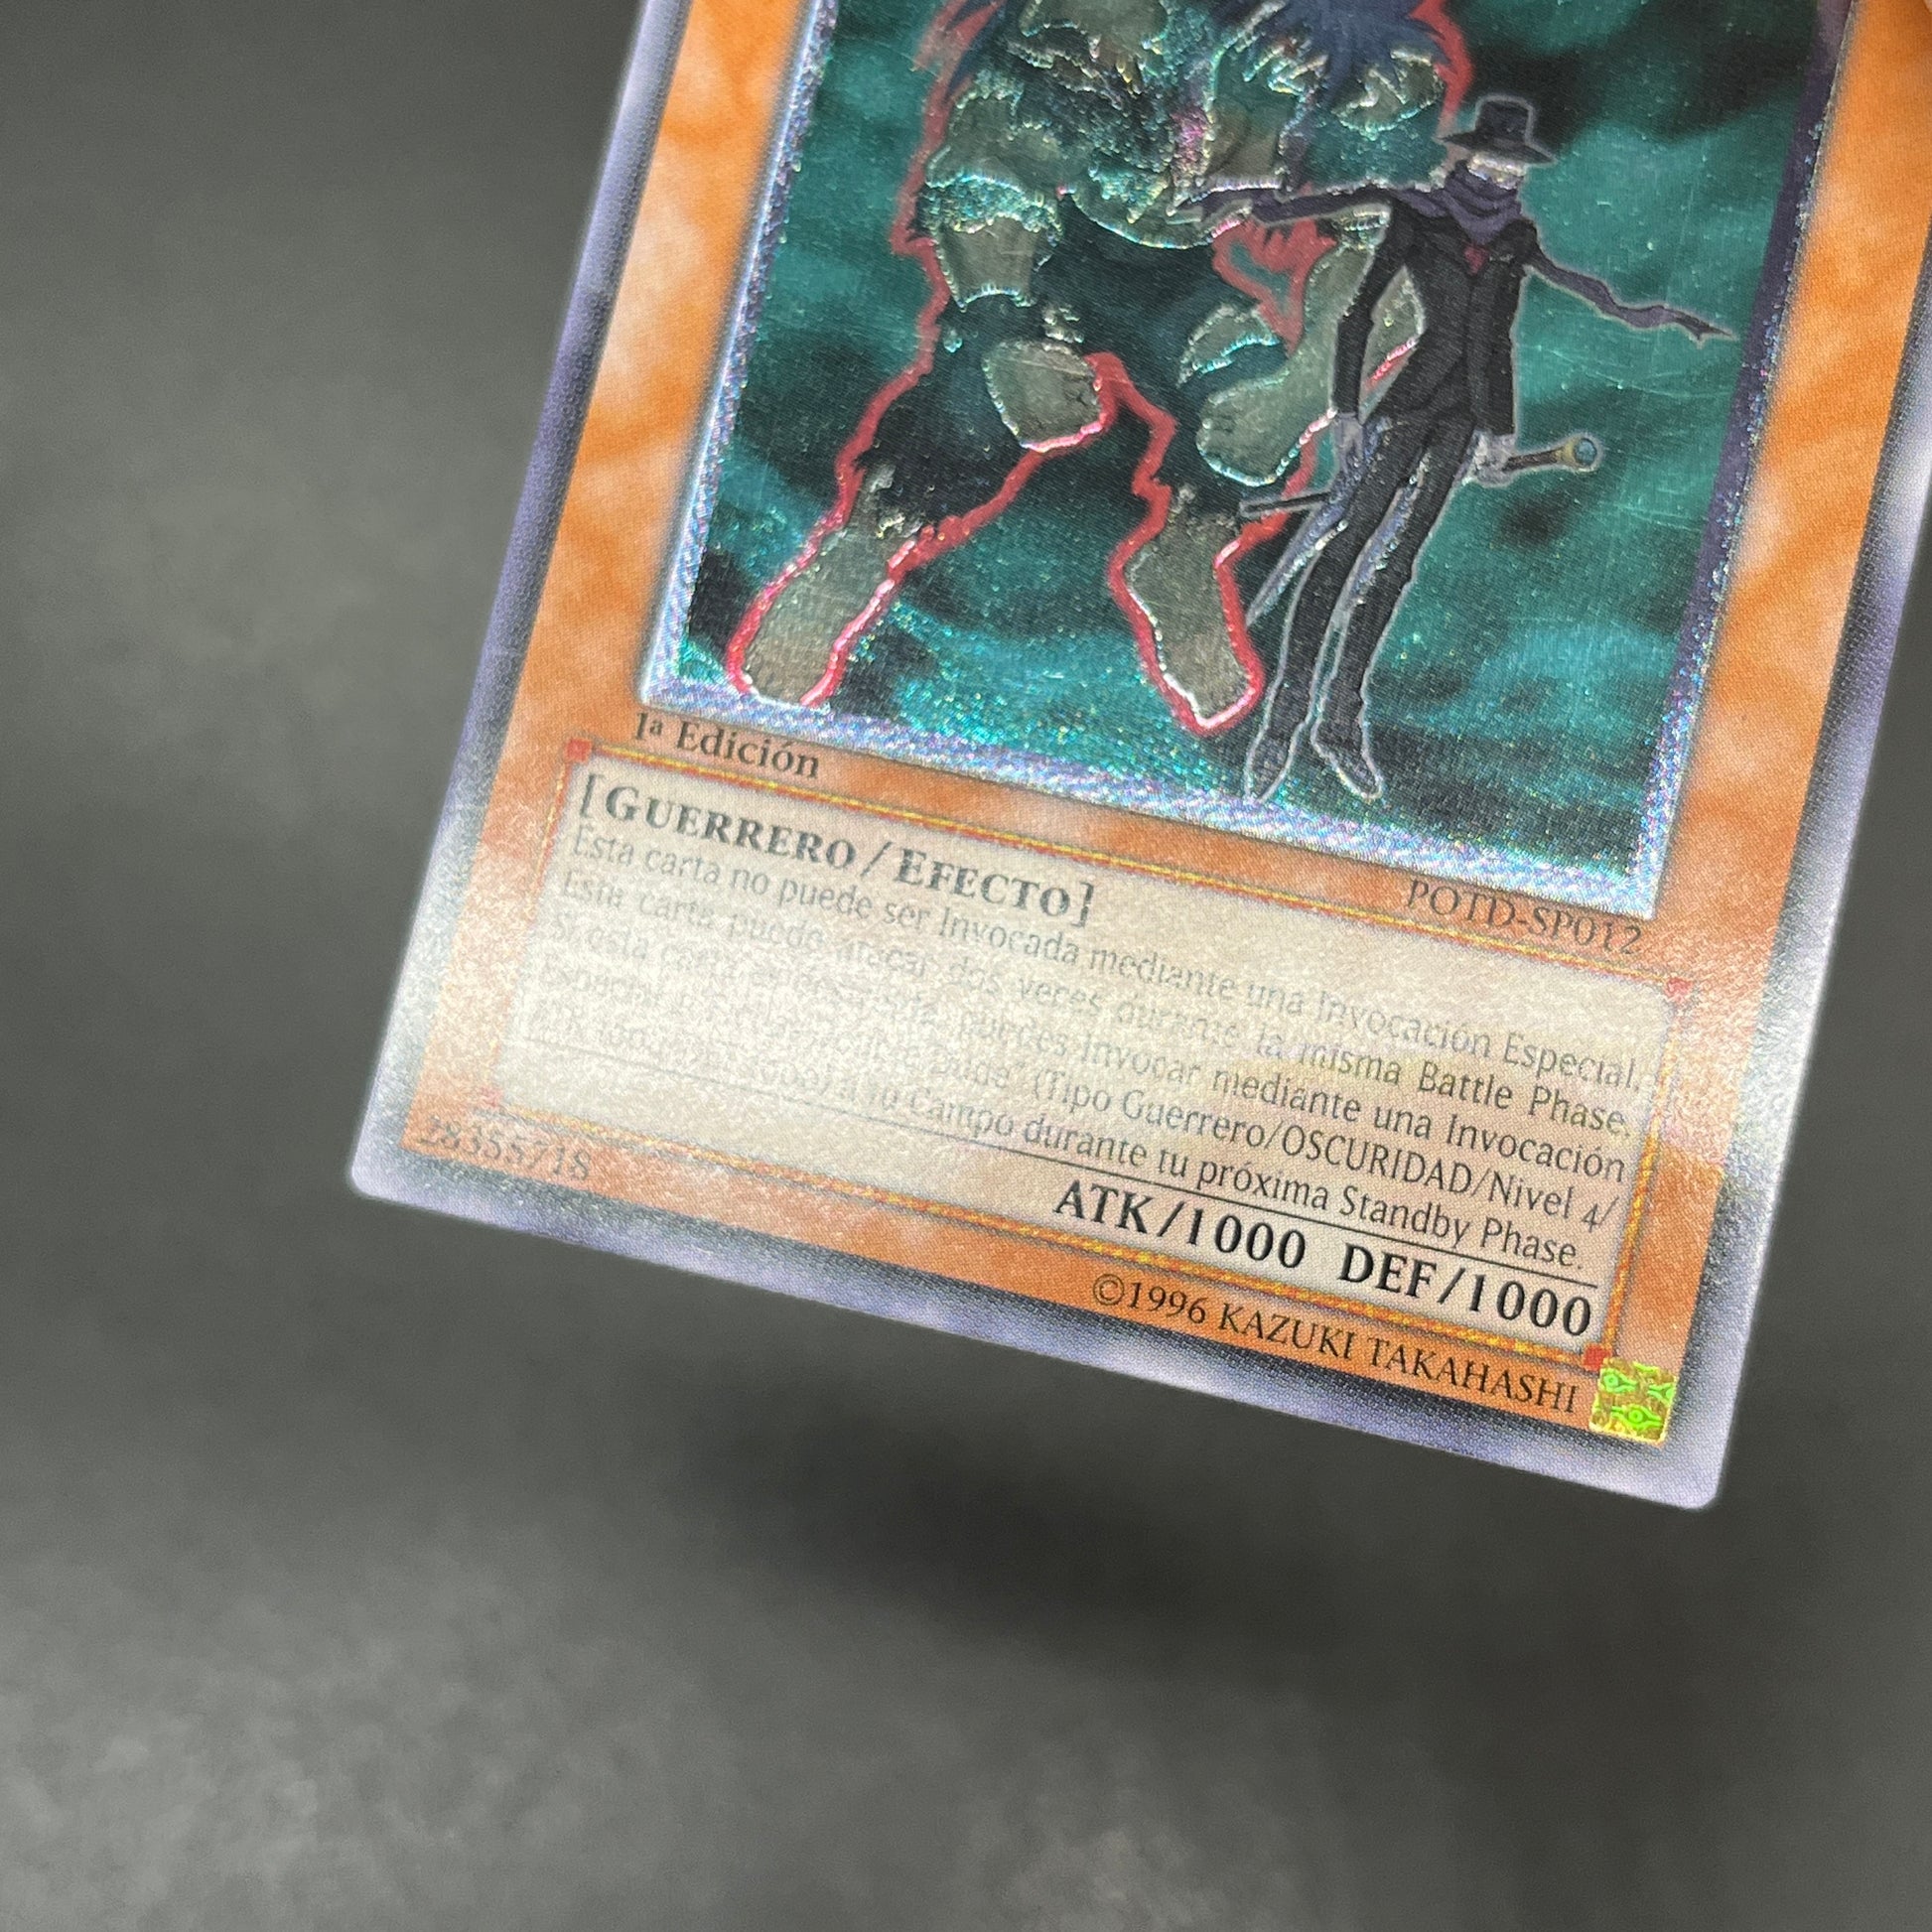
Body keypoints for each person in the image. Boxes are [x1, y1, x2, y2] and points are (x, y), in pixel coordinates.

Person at [1228, 94, 1725, 802]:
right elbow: (1360, 312)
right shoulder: (1420, 215)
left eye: (1514, 168)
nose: (1505, 177)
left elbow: (1504, 334)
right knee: (1344, 548)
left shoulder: (1515, 237)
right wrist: (1346, 410)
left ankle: (1338, 723)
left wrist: (1500, 430)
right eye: (1494, 163)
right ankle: (1282, 722)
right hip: (1408, 405)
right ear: (1467, 157)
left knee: (1395, 567)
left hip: (1466, 419)